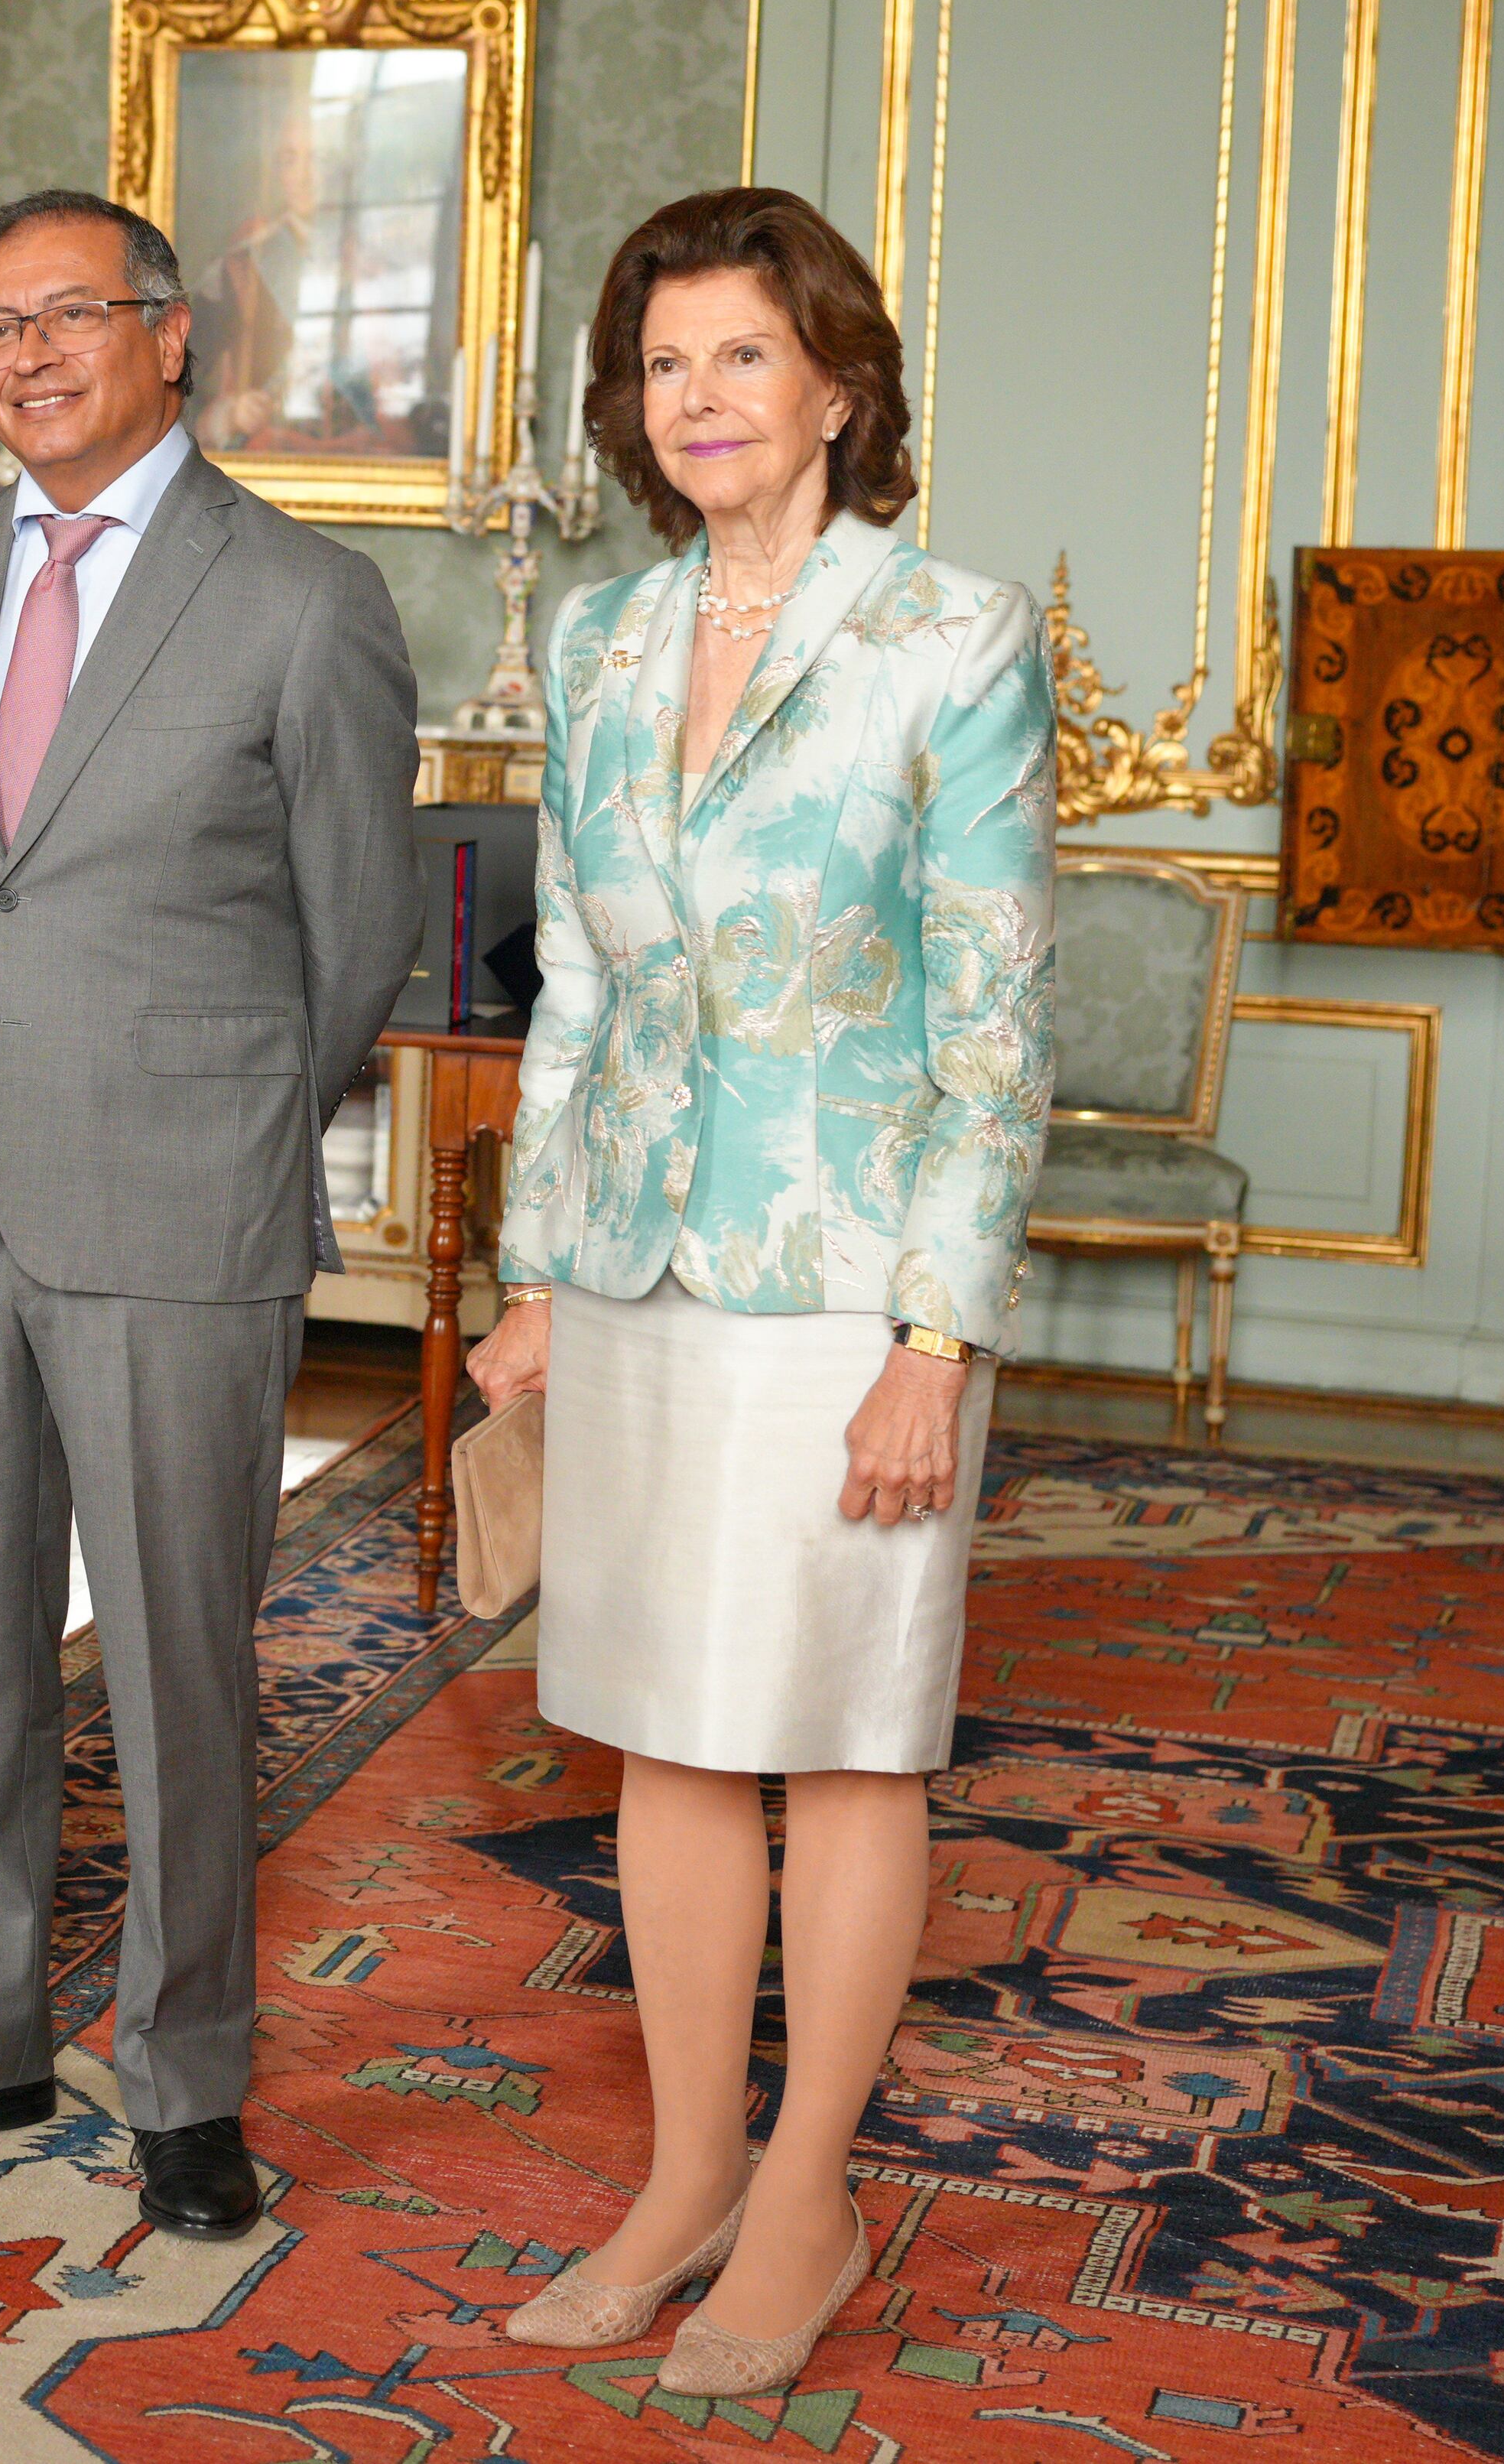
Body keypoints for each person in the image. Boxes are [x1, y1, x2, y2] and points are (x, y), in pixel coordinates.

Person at [464, 185, 1054, 2395]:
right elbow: (585, 986)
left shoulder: (955, 641)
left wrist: (939, 1335)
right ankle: (685, 2174)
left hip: (850, 1285)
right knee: (666, 1739)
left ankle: (808, 2195)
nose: (697, 399)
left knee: (841, 1746)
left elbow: (995, 1020)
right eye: (661, 365)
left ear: (838, 385)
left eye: (740, 355)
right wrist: (538, 1277)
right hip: (639, 1270)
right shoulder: (606, 645)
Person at [0, 189, 419, 2238]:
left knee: (171, 1657)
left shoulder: (300, 599)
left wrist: (220, 1120)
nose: (31, 355)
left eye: (72, 316)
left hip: (179, 1197)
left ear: (170, 339)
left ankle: (186, 2071)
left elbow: (356, 942)